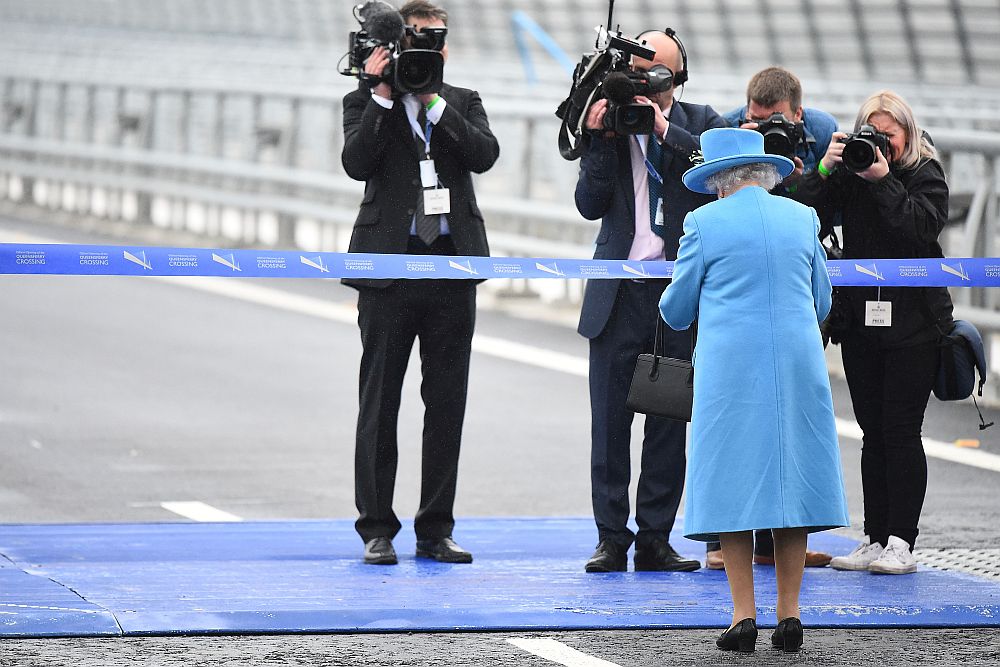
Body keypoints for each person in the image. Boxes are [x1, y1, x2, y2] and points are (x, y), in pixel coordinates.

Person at [660, 127, 850, 652]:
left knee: (733, 480)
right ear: (765, 173)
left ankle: (743, 615)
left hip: (730, 368)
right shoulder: (801, 217)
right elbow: (820, 299)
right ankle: (789, 614)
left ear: (719, 180)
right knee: (792, 480)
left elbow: (675, 312)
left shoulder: (701, 223)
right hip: (797, 361)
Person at [340, 0, 499, 565]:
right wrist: (385, 94)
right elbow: (357, 163)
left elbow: (484, 155)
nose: (429, 46)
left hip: (452, 268)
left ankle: (435, 528)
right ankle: (376, 528)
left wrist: (431, 101)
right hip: (388, 270)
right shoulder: (363, 99)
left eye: (438, 38)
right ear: (399, 42)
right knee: (380, 401)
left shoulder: (460, 101)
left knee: (447, 403)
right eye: (418, 37)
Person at [575, 28, 726, 573]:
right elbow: (589, 203)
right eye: (639, 69)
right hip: (618, 293)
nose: (645, 80)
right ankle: (610, 537)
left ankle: (656, 537)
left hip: (677, 294)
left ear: (677, 77)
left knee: (668, 422)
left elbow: (717, 176)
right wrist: (601, 138)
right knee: (610, 424)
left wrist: (663, 128)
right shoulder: (612, 121)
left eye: (657, 71)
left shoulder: (703, 122)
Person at [794, 90, 953, 575]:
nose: (879, 145)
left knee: (902, 431)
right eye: (872, 134)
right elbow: (805, 220)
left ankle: (902, 541)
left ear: (907, 134)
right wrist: (825, 169)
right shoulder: (851, 171)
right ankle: (875, 537)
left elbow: (919, 230)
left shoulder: (925, 174)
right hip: (862, 322)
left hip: (915, 326)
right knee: (872, 434)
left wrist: (883, 180)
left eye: (889, 135)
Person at [703, 66, 840, 571]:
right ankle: (787, 604)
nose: (762, 129)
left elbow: (831, 207)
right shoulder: (733, 128)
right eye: (754, 122)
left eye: (774, 122)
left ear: (798, 115)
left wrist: (822, 172)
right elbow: (822, 299)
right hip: (789, 326)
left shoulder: (824, 133)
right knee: (781, 442)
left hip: (744, 332)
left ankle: (747, 589)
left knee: (742, 442)